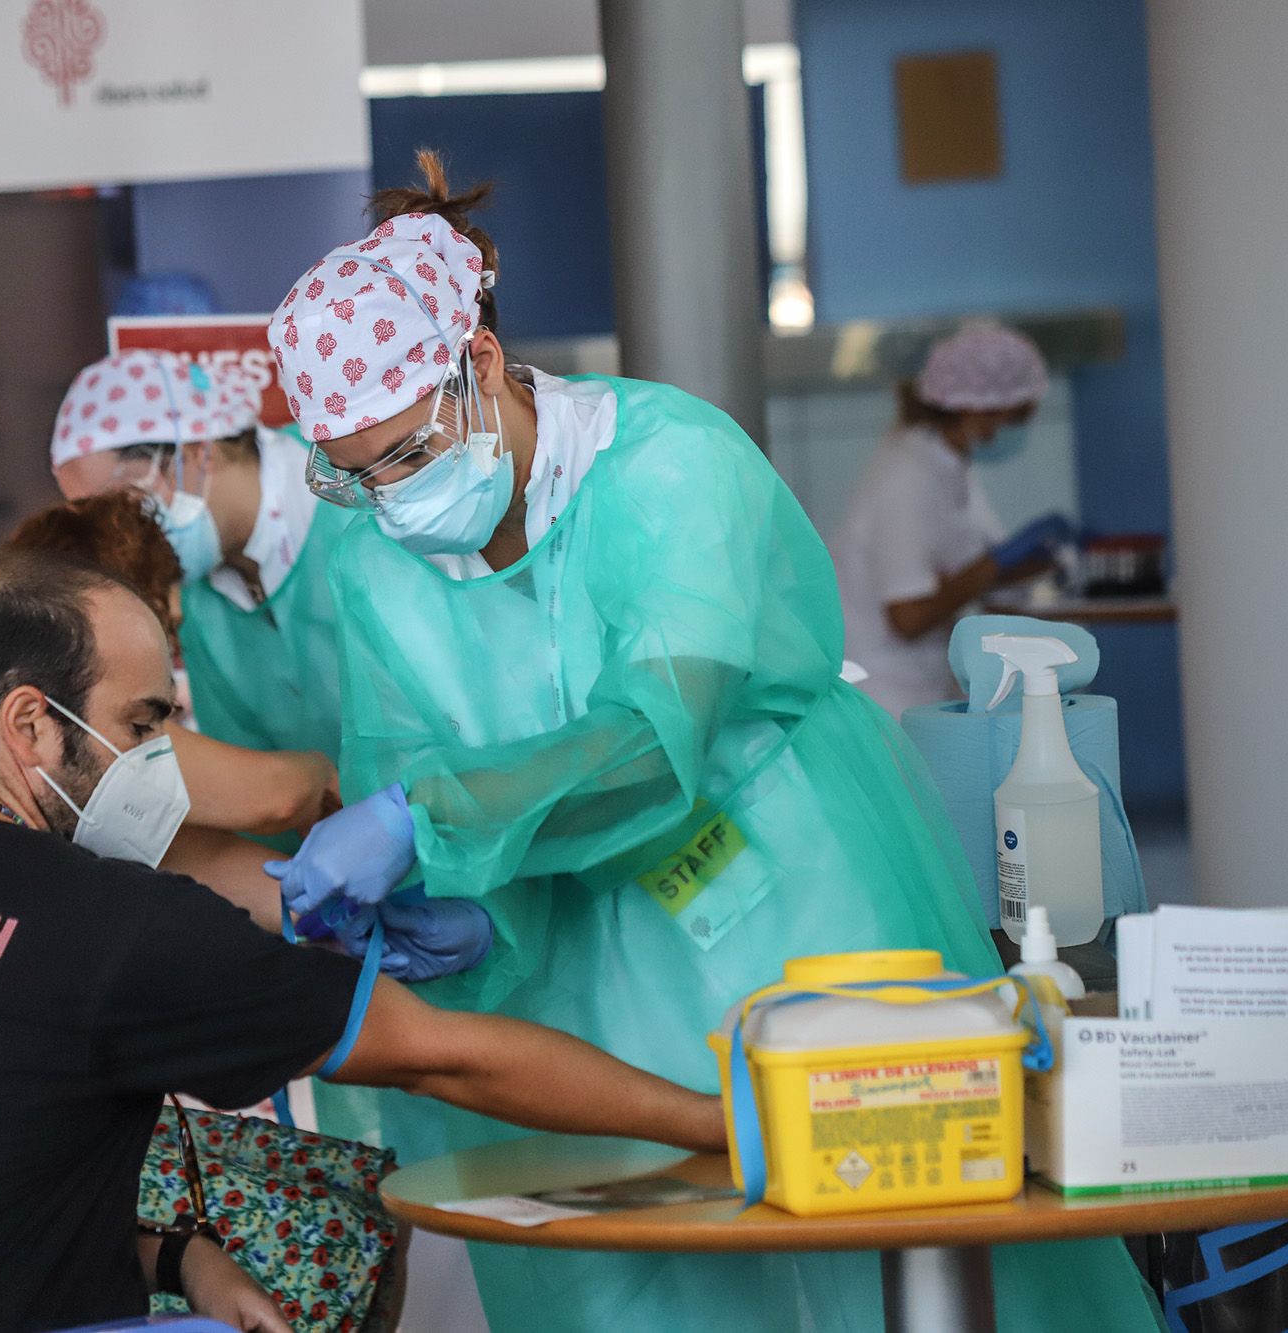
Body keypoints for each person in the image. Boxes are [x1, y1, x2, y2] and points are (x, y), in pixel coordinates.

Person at [262, 154, 1158, 1331]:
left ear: (477, 365)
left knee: (861, 1217)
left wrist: (422, 818)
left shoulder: (669, 464)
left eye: (408, 457)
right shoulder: (376, 554)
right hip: (577, 956)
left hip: (789, 884)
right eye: (356, 474)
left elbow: (647, 738)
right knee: (635, 1260)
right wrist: (484, 907)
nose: (391, 500)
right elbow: (419, 748)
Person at [0, 548, 726, 1333]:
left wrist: (180, 1254)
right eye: (142, 724)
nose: (157, 760)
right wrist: (716, 1123)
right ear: (29, 722)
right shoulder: (104, 922)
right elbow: (447, 1058)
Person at [0, 491, 338, 866]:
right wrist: (325, 771)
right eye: (163, 626)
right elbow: (276, 798)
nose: (175, 650)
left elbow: (189, 856)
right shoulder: (97, 734)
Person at [53, 350, 355, 766]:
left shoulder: (353, 498)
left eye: (122, 508)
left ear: (193, 454)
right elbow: (253, 782)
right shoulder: (198, 601)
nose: (117, 538)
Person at [830, 321, 1075, 717]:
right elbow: (907, 616)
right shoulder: (907, 476)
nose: (1009, 432)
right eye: (1010, 417)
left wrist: (1043, 558)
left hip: (924, 684)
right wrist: (991, 568)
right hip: (886, 694)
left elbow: (963, 566)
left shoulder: (948, 468)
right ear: (976, 408)